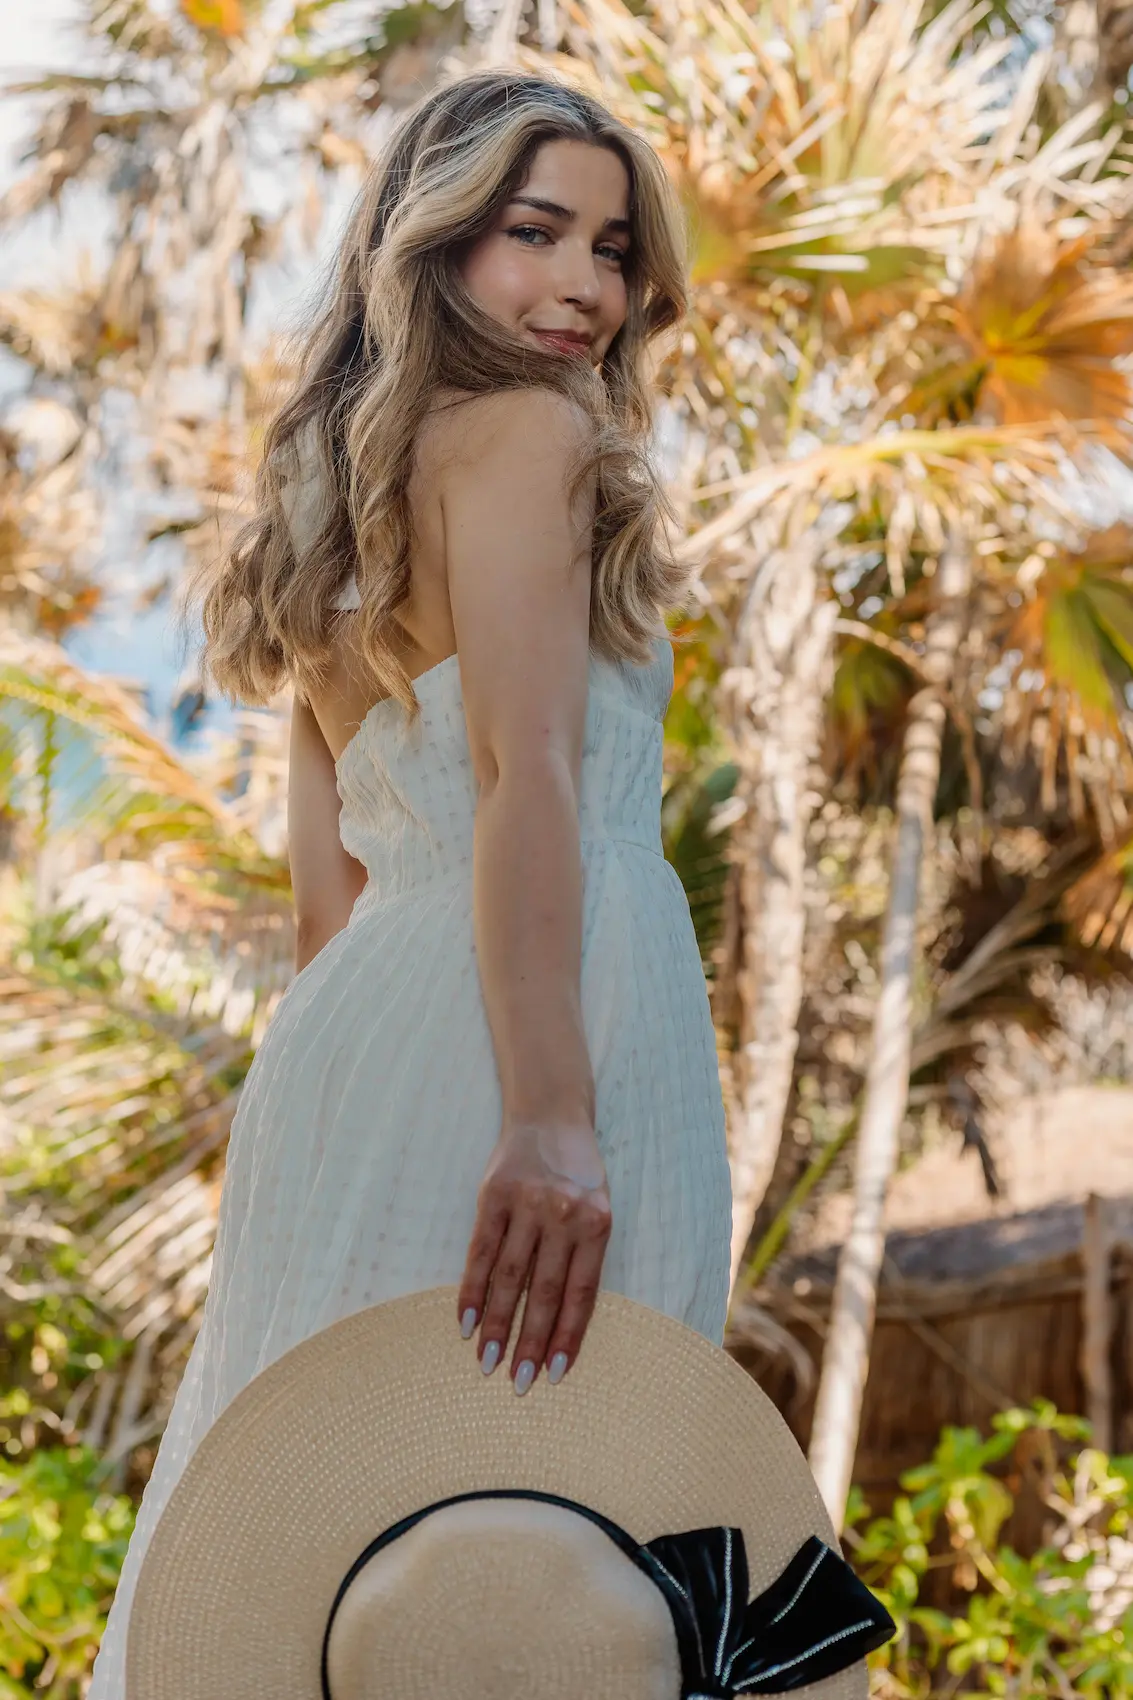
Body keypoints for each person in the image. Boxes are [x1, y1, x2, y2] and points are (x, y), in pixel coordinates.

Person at [88, 66, 733, 1697]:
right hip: (538, 1029)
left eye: (612, 250)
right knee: (554, 1548)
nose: (585, 287)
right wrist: (552, 1114)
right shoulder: (530, 431)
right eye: (537, 233)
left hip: (358, 1048)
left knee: (330, 1568)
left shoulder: (328, 514)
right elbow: (527, 774)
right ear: (432, 242)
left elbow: (332, 914)